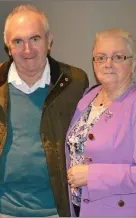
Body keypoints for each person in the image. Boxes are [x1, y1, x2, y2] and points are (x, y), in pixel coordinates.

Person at [0, 4, 88, 217]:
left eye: (35, 39)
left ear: (49, 40)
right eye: (18, 41)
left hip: (57, 209)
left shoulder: (74, 81)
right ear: (8, 46)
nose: (27, 50)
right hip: (0, 208)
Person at [67, 29, 136, 217]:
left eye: (118, 57)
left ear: (133, 63)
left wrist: (92, 176)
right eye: (101, 57)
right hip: (82, 208)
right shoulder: (88, 97)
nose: (108, 64)